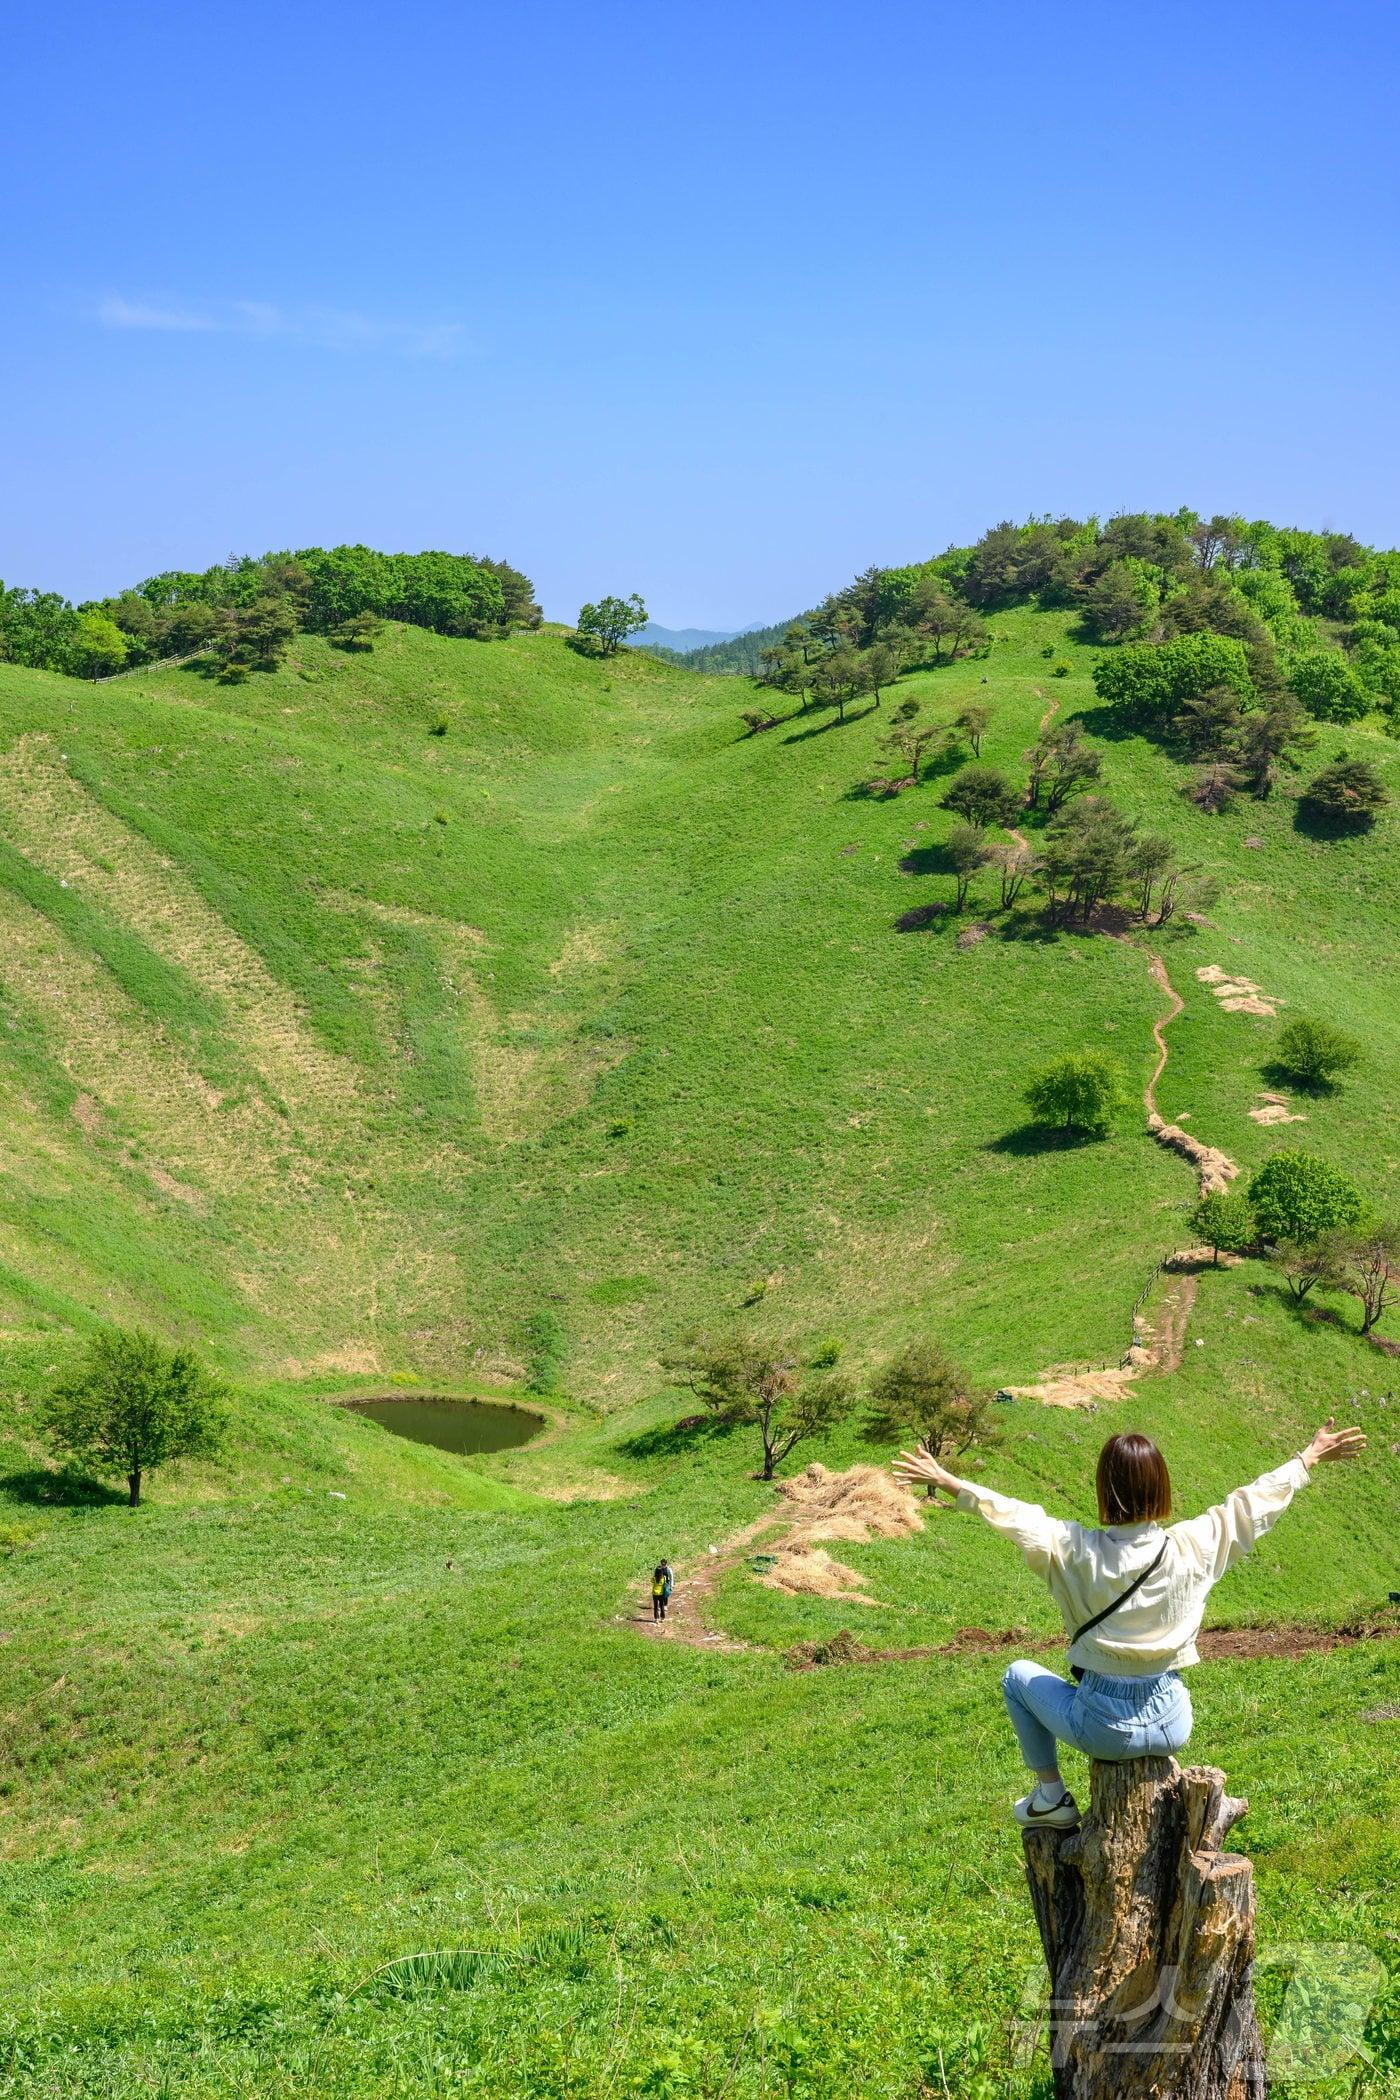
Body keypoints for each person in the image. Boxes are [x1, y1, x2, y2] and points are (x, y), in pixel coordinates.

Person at [892, 1417, 1365, 1829]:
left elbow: (1015, 1516)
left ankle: (1051, 1796)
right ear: (1162, 1487)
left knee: (1017, 1677)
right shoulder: (1193, 1547)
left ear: (1104, 1489)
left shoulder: (1072, 1550)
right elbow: (1249, 1506)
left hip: (1104, 1726)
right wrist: (1307, 1458)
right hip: (1174, 1720)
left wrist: (950, 1482)